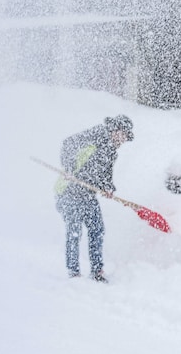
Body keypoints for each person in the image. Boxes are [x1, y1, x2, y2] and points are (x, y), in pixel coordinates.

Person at [55, 114, 134, 282]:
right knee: (74, 232)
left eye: (126, 137)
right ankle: (74, 272)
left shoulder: (112, 151)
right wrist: (68, 168)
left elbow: (105, 173)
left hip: (88, 195)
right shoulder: (95, 134)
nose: (123, 140)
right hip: (69, 192)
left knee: (97, 230)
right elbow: (68, 143)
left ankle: (97, 271)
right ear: (115, 130)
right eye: (123, 135)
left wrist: (107, 187)